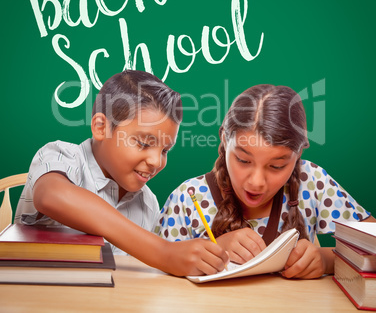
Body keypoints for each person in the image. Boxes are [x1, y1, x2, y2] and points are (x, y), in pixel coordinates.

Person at [15, 70, 228, 277]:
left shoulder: (148, 203)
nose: (156, 161)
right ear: (101, 127)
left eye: (165, 150)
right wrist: (163, 252)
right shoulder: (61, 156)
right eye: (144, 143)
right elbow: (51, 196)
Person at [154, 84, 375, 279]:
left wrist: (327, 260)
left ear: (297, 156)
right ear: (224, 141)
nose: (257, 182)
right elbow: (155, 274)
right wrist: (212, 251)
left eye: (277, 166)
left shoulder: (313, 182)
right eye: (243, 160)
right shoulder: (186, 199)